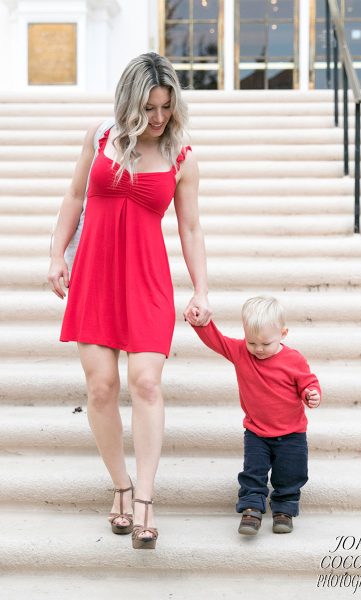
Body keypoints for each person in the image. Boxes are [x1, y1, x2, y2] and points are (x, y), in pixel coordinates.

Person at [48, 52, 211, 550]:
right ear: (129, 102)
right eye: (150, 106)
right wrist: (57, 254)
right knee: (100, 389)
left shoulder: (180, 155)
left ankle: (144, 498)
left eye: (166, 106)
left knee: (146, 383)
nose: (159, 117)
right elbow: (75, 197)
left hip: (147, 283)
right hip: (95, 278)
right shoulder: (99, 138)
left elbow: (190, 226)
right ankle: (119, 485)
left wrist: (201, 288)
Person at [189, 296, 321, 536]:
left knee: (291, 474)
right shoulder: (241, 352)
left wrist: (311, 394)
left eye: (265, 343)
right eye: (252, 342)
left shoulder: (294, 359)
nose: (258, 349)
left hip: (292, 433)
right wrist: (200, 323)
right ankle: (251, 508)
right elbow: (216, 340)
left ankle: (284, 510)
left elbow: (307, 383)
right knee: (253, 472)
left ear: (283, 333)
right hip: (257, 432)